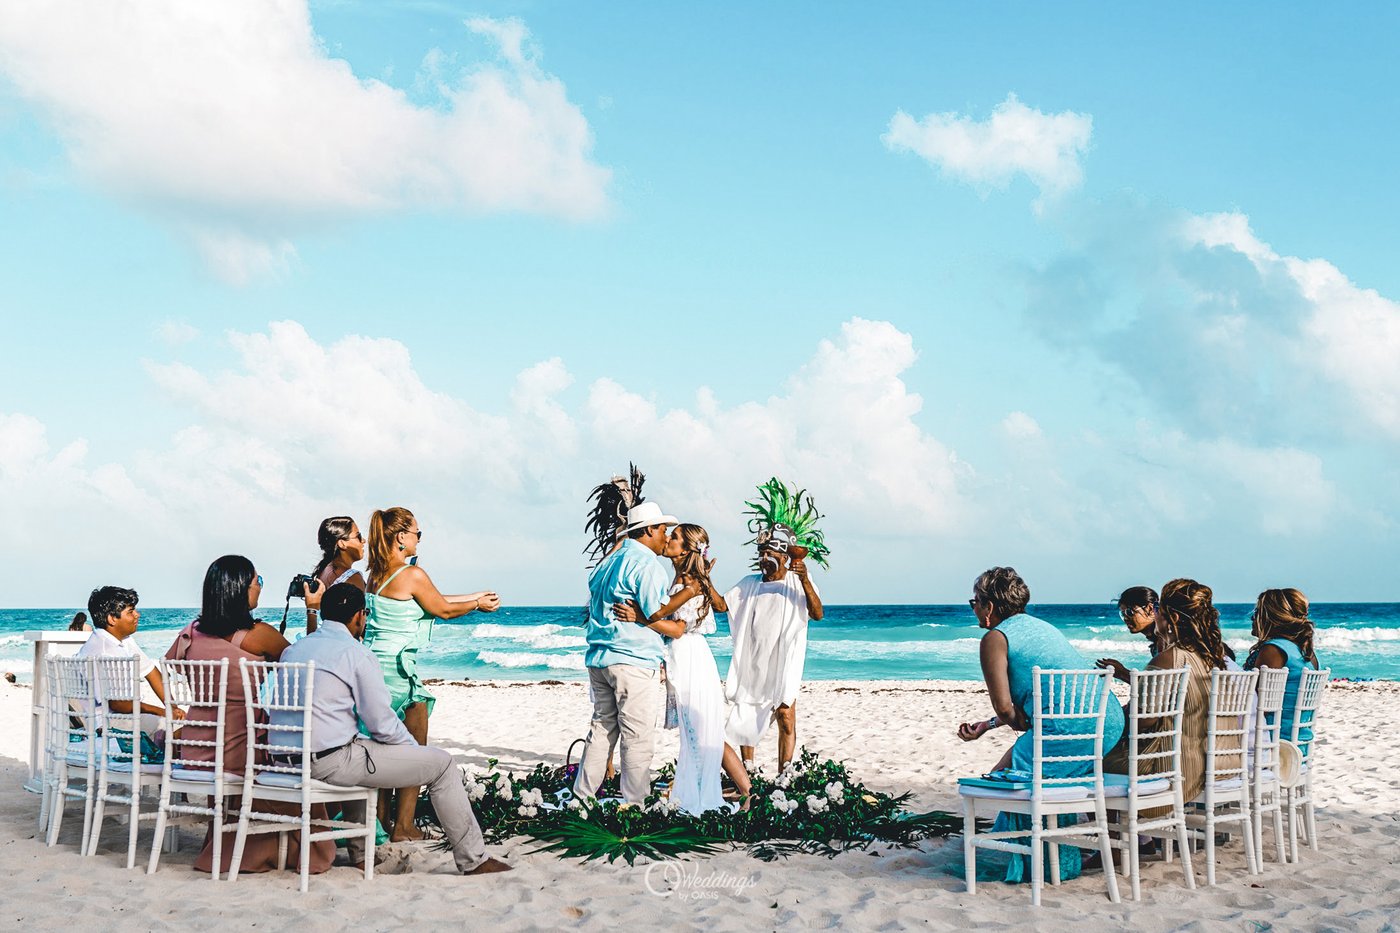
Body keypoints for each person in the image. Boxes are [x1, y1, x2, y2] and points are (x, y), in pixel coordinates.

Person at [273, 583, 510, 875]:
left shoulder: (295, 649)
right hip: (326, 764)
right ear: (360, 616)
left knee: (360, 748)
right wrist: (412, 752)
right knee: (442, 764)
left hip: (283, 763)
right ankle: (475, 859)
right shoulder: (355, 653)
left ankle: (362, 855)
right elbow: (382, 725)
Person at [955, 566, 1125, 883]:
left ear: (989, 606)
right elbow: (1044, 704)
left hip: (1069, 729)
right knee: (1026, 763)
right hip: (1109, 723)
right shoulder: (1042, 628)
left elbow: (1008, 710)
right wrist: (988, 726)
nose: (973, 608)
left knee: (1013, 773)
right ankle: (1052, 852)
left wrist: (1005, 720)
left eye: (974, 601)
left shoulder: (994, 638)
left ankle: (1041, 861)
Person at [165, 554, 333, 875]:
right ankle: (304, 850)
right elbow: (306, 661)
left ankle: (238, 839)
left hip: (197, 749)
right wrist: (313, 609)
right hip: (240, 752)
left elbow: (173, 667)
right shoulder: (257, 635)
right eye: (258, 582)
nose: (260, 589)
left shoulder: (190, 632)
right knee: (297, 771)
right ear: (240, 589)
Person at [364, 506, 500, 841]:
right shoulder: (412, 574)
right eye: (417, 534)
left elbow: (433, 601)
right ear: (401, 538)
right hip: (398, 672)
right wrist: (477, 605)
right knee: (415, 750)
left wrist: (474, 596)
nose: (419, 540)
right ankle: (405, 826)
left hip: (372, 668)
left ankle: (382, 820)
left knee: (384, 747)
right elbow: (443, 609)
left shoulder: (377, 575)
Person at [613, 523, 753, 813]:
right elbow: (719, 608)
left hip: (689, 656)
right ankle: (746, 790)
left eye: (674, 537)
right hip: (688, 654)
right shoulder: (687, 579)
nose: (668, 539)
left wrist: (637, 617)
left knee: (696, 730)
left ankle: (703, 796)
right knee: (702, 730)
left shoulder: (689, 582)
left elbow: (668, 620)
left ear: (687, 549)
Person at [1105, 578, 1238, 818]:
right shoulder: (1214, 656)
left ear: (1172, 619)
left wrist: (1113, 718)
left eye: (1160, 612)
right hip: (1219, 763)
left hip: (1179, 769)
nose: (1156, 616)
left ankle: (1115, 846)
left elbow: (1143, 720)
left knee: (1092, 760)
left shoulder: (1169, 659)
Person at [572, 501, 677, 804]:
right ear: (648, 531)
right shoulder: (646, 565)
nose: (665, 537)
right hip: (633, 658)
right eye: (662, 530)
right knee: (637, 736)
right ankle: (634, 804)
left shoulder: (607, 562)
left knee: (602, 729)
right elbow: (655, 614)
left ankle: (582, 799)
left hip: (600, 657)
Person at [723, 525, 823, 770]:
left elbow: (817, 613)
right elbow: (721, 605)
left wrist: (804, 579)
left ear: (785, 558)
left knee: (786, 715)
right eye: (761, 554)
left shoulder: (797, 583)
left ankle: (785, 774)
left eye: (770, 555)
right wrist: (701, 579)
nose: (763, 560)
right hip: (754, 657)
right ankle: (748, 769)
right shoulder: (749, 584)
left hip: (785, 659)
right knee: (747, 710)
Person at [77, 586, 183, 735]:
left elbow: (151, 671)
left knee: (181, 725)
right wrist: (160, 711)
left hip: (121, 716)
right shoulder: (105, 650)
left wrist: (172, 707)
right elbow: (119, 704)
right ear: (112, 619)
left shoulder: (121, 640)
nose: (137, 615)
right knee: (185, 730)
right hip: (109, 723)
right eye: (131, 611)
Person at [1246, 588, 1321, 755]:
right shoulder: (1306, 653)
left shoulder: (1274, 650)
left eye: (1258, 611)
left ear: (1272, 617)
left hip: (1272, 745)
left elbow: (1255, 704)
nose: (1252, 617)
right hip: (1299, 746)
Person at [306, 516, 367, 634]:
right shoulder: (353, 577)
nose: (363, 540)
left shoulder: (323, 571)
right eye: (358, 536)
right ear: (342, 543)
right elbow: (357, 627)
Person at [1096, 586, 1160, 682]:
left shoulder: (1164, 642)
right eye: (1123, 614)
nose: (1126, 618)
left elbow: (1155, 687)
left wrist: (1122, 673)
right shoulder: (1158, 641)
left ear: (1150, 609)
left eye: (1129, 612)